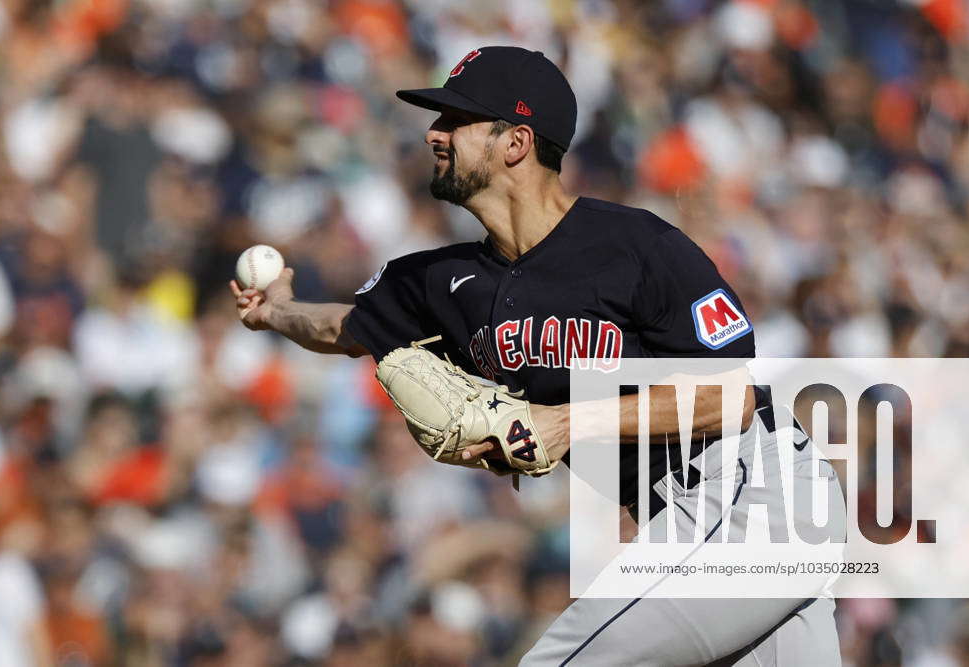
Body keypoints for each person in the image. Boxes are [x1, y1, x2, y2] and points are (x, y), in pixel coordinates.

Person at [231, 46, 845, 666]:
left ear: (516, 142)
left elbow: (728, 398)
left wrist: (565, 422)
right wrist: (275, 310)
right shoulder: (441, 282)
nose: (433, 133)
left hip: (752, 492)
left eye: (455, 121)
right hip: (691, 519)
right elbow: (346, 328)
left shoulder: (635, 245)